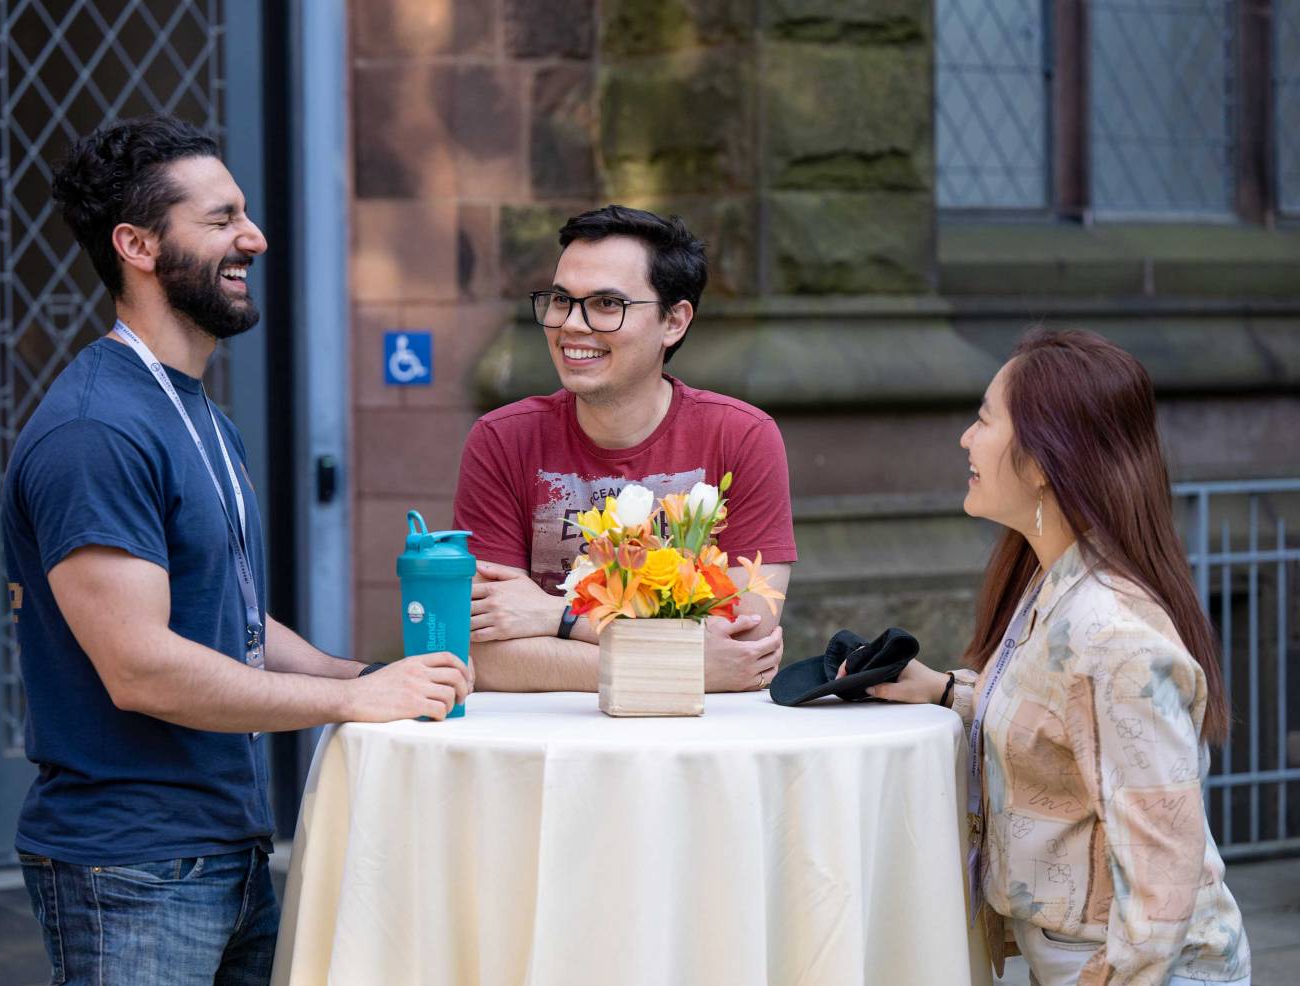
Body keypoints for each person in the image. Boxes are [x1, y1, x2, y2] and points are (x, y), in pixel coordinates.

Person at [2, 115, 471, 985]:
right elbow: (141, 668)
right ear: (136, 245)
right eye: (219, 220)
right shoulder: (96, 430)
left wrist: (363, 678)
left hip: (226, 849)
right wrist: (352, 704)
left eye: (244, 214)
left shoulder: (195, 413)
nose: (252, 237)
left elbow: (229, 617)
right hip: (132, 868)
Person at [857, 330, 1249, 986]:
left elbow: (1162, 890)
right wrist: (948, 691)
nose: (965, 439)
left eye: (984, 419)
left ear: (1043, 460)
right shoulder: (1055, 584)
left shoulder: (1116, 634)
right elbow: (1063, 726)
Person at [454, 205, 796, 692]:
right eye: (560, 299)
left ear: (674, 322)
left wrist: (559, 617)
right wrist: (680, 666)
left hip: (697, 743)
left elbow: (743, 645)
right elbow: (484, 653)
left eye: (607, 305)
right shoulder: (502, 439)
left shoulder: (740, 435)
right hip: (550, 741)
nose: (571, 324)